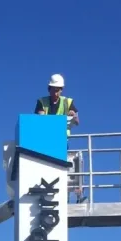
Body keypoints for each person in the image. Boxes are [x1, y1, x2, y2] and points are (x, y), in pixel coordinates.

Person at [35, 73, 85, 202]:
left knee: (60, 165)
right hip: (45, 141)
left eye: (58, 90)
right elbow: (38, 119)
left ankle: (67, 193)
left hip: (61, 140)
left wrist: (73, 115)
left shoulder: (68, 102)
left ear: (61, 90)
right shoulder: (42, 102)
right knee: (47, 165)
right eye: (54, 89)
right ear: (49, 89)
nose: (56, 93)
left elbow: (77, 121)